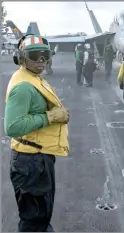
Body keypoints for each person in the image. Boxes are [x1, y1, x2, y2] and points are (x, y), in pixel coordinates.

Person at [4, 34, 70, 232]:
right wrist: (50, 117)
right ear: (21, 58)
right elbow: (12, 127)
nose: (41, 61)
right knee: (34, 222)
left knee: (40, 217)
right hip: (30, 164)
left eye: (45, 55)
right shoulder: (24, 86)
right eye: (35, 56)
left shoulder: (32, 77)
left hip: (37, 159)